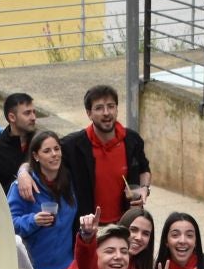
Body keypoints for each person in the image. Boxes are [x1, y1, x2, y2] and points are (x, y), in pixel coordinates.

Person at [54, 83, 149, 224]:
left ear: (117, 109)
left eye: (111, 106)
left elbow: (144, 169)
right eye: (99, 108)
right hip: (89, 228)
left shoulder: (132, 140)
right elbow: (41, 155)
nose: (106, 112)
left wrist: (144, 189)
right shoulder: (72, 145)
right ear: (89, 113)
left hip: (126, 224)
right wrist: (24, 172)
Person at [9, 131, 79, 269]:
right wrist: (34, 220)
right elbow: (9, 225)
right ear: (35, 156)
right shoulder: (22, 187)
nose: (54, 154)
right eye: (47, 151)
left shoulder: (70, 181)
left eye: (56, 149)